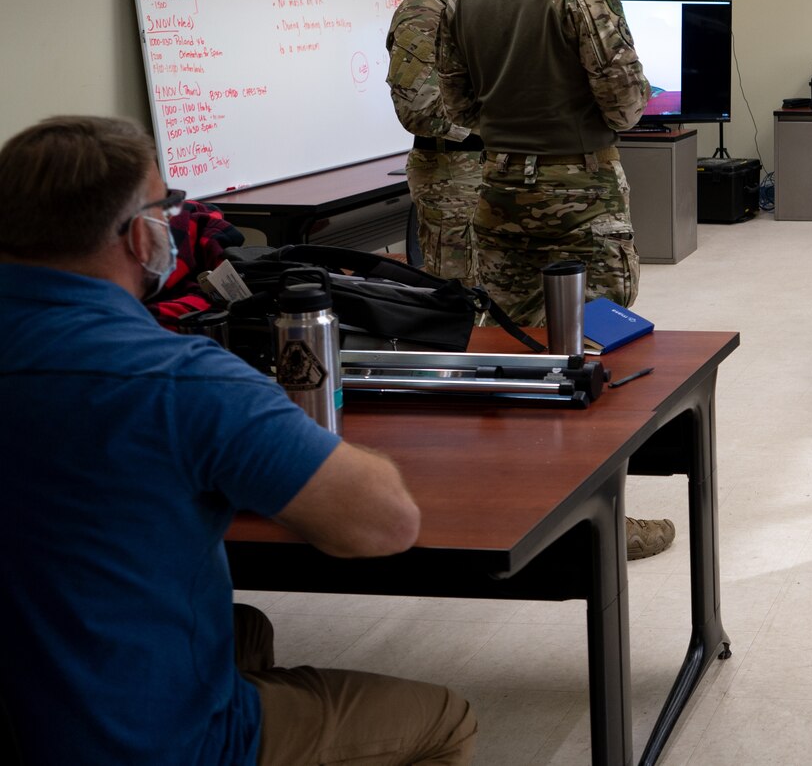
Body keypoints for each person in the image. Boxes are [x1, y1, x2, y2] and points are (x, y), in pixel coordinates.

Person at [0, 115, 477, 765]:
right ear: (140, 235)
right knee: (445, 719)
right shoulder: (179, 377)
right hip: (141, 742)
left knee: (245, 629)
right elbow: (382, 524)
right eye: (165, 205)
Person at [434, 0, 673, 561]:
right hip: (580, 196)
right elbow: (627, 101)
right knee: (596, 346)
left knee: (505, 347)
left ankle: (504, 502)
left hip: (499, 189)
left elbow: (455, 105)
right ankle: (606, 522)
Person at [386, 0, 513, 287]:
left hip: (473, 171)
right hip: (449, 178)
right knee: (460, 293)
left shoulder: (456, 12)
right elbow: (419, 109)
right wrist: (496, 121)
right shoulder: (422, 13)